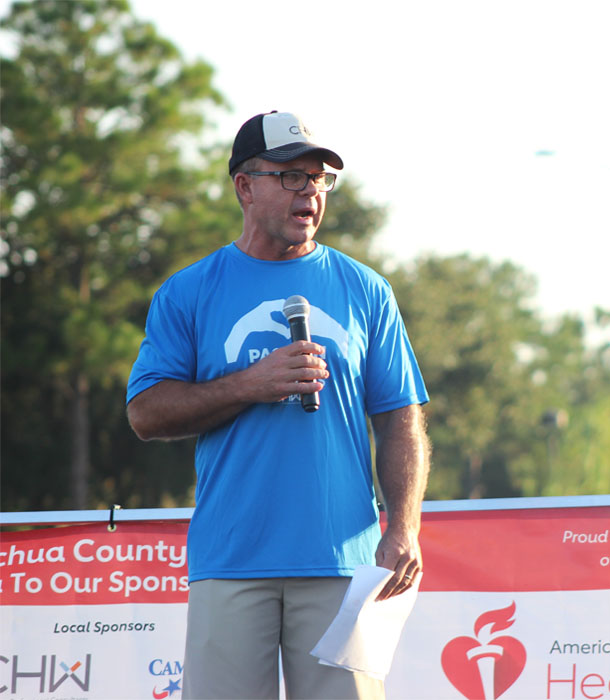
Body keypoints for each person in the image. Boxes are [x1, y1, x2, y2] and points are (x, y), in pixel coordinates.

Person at [126, 111, 430, 699]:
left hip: (344, 562)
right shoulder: (189, 291)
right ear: (245, 185)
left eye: (319, 179)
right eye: (291, 176)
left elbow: (400, 418)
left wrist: (406, 528)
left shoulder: (365, 288)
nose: (310, 192)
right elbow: (145, 413)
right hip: (232, 558)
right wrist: (249, 383)